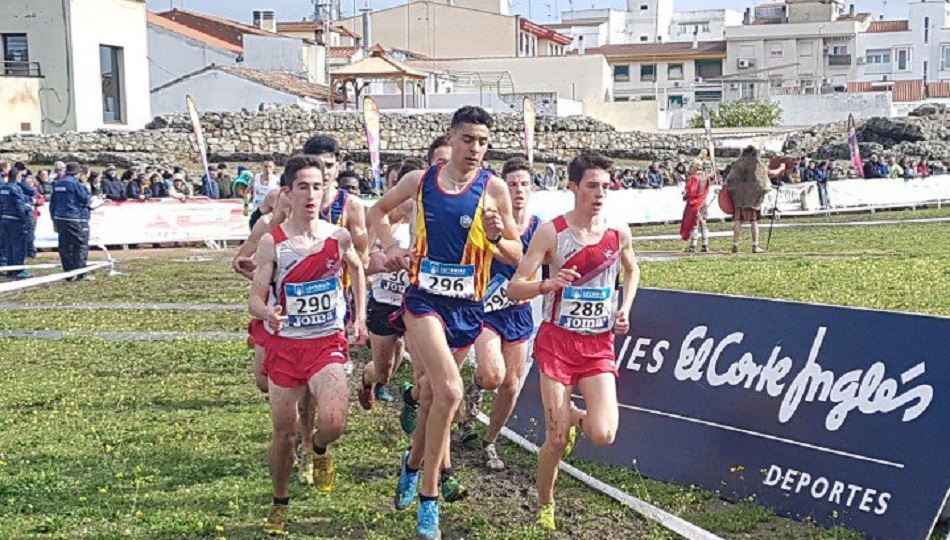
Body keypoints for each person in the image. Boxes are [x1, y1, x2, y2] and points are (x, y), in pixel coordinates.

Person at [367, 106, 521, 540]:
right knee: (451, 391)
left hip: (467, 307)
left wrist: (494, 237)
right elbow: (376, 211)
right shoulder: (421, 182)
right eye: (468, 139)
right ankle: (429, 502)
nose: (475, 149)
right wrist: (391, 246)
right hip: (423, 302)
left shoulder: (493, 190)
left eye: (483, 142)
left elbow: (515, 255)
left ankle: (412, 464)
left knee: (435, 394)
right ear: (451, 139)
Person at [507, 152, 640, 531]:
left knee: (603, 434)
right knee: (554, 436)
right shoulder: (552, 233)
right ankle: (545, 503)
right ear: (574, 187)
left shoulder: (619, 233)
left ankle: (571, 418)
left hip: (597, 345)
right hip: (557, 344)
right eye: (592, 186)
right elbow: (516, 287)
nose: (599, 194)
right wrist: (547, 284)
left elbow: (632, 270)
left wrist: (625, 307)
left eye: (605, 186)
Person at [249, 154, 367, 536]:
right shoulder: (273, 241)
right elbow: (255, 299)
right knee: (283, 432)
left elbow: (357, 268)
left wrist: (359, 316)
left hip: (326, 343)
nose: (312, 195)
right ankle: (280, 504)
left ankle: (318, 449)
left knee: (334, 422)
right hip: (286, 347)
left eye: (318, 187)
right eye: (303, 186)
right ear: (287, 192)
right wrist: (268, 313)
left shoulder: (338, 235)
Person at [459, 156, 541, 470]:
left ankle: (490, 442)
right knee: (494, 376)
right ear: (502, 191)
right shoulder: (488, 222)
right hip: (486, 309)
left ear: (532, 188)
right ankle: (477, 387)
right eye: (512, 184)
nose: (518, 190)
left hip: (518, 313)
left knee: (511, 383)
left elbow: (544, 267)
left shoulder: (539, 228)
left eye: (524, 184)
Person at [358, 157, 425, 410]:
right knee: (384, 370)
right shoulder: (381, 223)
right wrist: (381, 261)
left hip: (416, 304)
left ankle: (415, 401)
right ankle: (369, 378)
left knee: (422, 367)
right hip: (385, 302)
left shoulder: (426, 224)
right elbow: (362, 265)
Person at [726, 146, 772, 254]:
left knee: (738, 221)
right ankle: (755, 245)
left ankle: (735, 244)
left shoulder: (737, 165)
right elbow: (762, 182)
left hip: (738, 198)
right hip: (751, 199)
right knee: (753, 222)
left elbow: (730, 180)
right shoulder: (757, 165)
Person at [50, 162, 92, 276]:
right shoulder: (75, 183)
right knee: (81, 243)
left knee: (65, 245)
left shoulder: (58, 183)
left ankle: (68, 272)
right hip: (72, 217)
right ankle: (80, 272)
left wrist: (53, 219)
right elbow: (85, 199)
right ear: (77, 173)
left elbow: (52, 204)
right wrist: (88, 192)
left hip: (59, 217)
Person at [0, 165, 31, 278]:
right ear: (17, 176)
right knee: (19, 246)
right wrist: (25, 216)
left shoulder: (3, 188)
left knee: (9, 246)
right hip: (16, 220)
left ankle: (10, 268)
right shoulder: (16, 189)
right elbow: (19, 206)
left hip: (5, 219)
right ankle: (18, 270)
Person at [680, 160, 712, 253]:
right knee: (703, 224)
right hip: (703, 203)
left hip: (695, 204)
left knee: (695, 224)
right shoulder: (706, 177)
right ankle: (705, 244)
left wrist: (685, 196)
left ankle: (693, 245)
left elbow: (691, 192)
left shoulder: (694, 178)